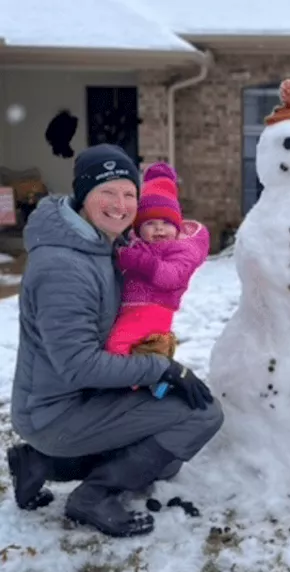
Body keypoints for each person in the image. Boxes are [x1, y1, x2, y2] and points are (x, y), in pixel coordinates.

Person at [8, 144, 223, 537]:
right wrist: (164, 368)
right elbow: (78, 366)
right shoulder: (64, 268)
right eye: (107, 192)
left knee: (165, 459)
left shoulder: (98, 243)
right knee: (201, 417)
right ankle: (93, 497)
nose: (121, 205)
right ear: (83, 195)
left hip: (76, 399)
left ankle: (41, 464)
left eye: (129, 194)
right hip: (57, 411)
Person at [106, 161, 210, 386]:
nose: (159, 229)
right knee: (143, 353)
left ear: (177, 226)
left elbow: (172, 276)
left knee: (117, 347)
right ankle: (151, 385)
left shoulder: (183, 249)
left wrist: (138, 261)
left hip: (154, 309)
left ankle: (127, 387)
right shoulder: (139, 245)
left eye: (166, 222)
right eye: (150, 223)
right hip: (133, 309)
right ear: (139, 228)